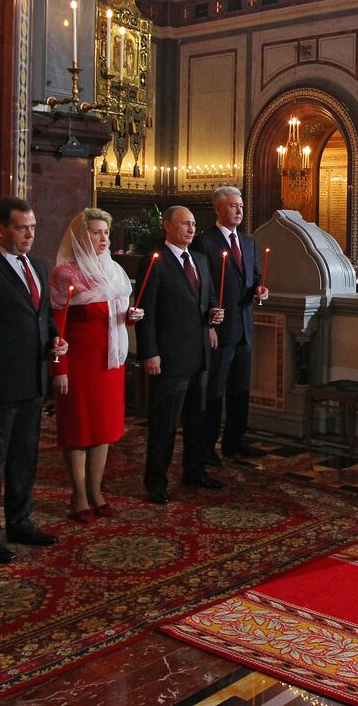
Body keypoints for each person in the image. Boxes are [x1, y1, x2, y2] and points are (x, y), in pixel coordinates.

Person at [0, 198, 67, 563]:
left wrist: (55, 339)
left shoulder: (37, 266)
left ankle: (20, 521)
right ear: (0, 229)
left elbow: (44, 317)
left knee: (25, 457)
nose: (30, 234)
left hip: (33, 382)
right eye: (22, 228)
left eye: (33, 227)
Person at [50, 209, 141, 522]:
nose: (104, 238)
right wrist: (59, 368)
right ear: (80, 236)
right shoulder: (66, 274)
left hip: (109, 364)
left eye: (106, 232)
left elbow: (116, 317)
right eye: (96, 232)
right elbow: (56, 329)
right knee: (79, 430)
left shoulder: (114, 270)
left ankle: (97, 491)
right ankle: (78, 496)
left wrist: (129, 318)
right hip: (79, 364)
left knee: (102, 429)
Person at [135, 206, 222, 503]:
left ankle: (194, 471)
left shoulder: (199, 259)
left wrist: (213, 314)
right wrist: (150, 353)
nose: (191, 230)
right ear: (168, 226)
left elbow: (207, 297)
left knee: (198, 420)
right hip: (169, 357)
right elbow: (146, 312)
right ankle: (156, 482)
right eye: (185, 224)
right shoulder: (155, 262)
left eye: (194, 224)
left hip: (200, 355)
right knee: (165, 424)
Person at [191, 186, 267, 461]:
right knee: (214, 391)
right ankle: (207, 446)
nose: (239, 210)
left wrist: (260, 290)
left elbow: (255, 277)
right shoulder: (205, 243)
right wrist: (208, 323)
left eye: (242, 206)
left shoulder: (248, 242)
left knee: (240, 390)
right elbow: (202, 286)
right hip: (219, 330)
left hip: (244, 328)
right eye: (234, 205)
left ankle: (234, 442)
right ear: (218, 209)